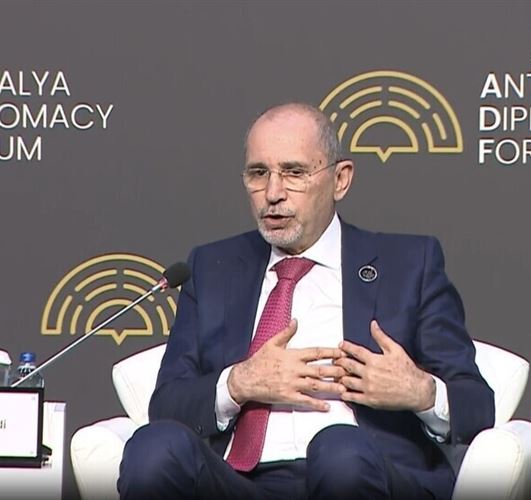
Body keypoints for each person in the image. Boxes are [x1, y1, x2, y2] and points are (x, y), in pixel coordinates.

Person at [118, 103, 494, 500]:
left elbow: (477, 405)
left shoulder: (409, 265)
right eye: (258, 173)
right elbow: (167, 406)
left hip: (362, 471)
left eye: (294, 173)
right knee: (154, 448)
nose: (273, 194)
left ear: (340, 180)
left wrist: (421, 392)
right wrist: (238, 383)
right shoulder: (212, 268)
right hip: (236, 483)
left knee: (339, 449)